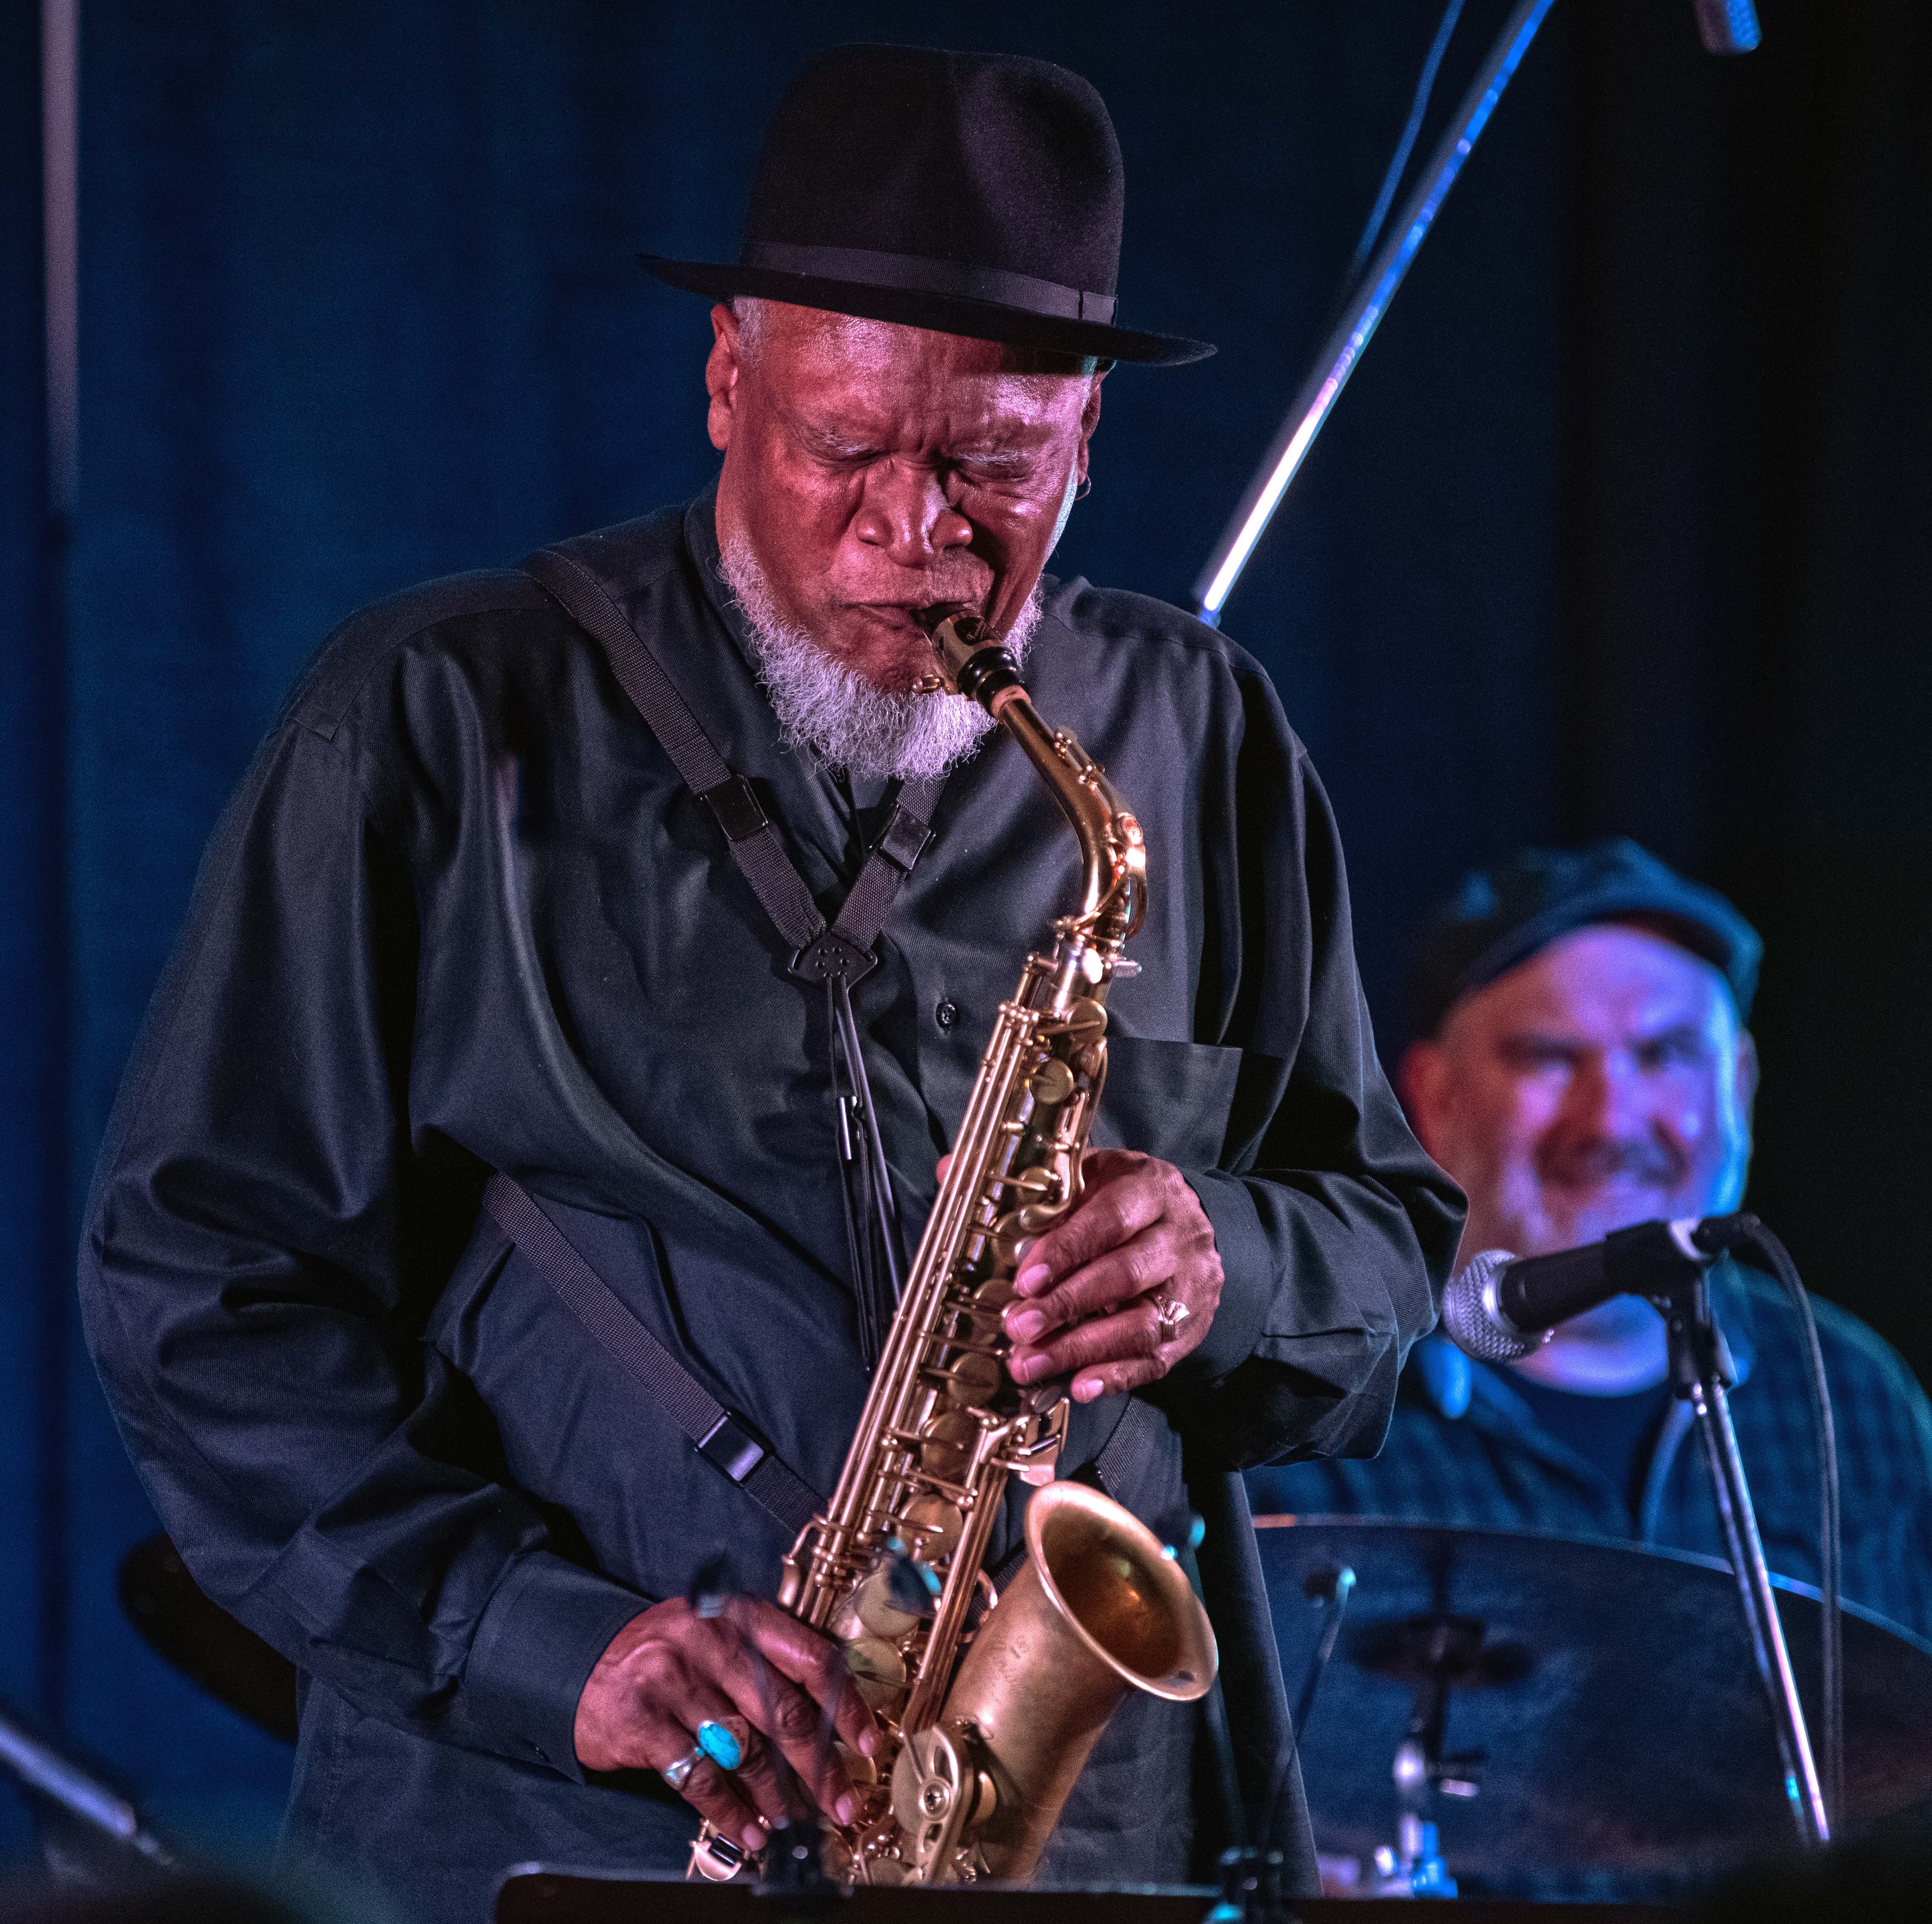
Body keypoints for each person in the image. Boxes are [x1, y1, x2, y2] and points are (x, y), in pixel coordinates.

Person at [78, 46, 1460, 1924]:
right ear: (729, 380)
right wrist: (543, 1634)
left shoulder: (1189, 733)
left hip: (1069, 1847)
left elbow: (1384, 1245)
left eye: (992, 465)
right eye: (844, 450)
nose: (916, 529)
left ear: (1082, 438)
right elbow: (199, 1284)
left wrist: (1229, 1260)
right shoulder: (436, 716)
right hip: (536, 1831)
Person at [1249, 839, 1932, 1641]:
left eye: (1665, 1053)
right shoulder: (1308, 1407)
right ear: (1432, 1100)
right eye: (1549, 1057)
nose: (1610, 1119)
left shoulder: (1853, 1401)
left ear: (1739, 1087)